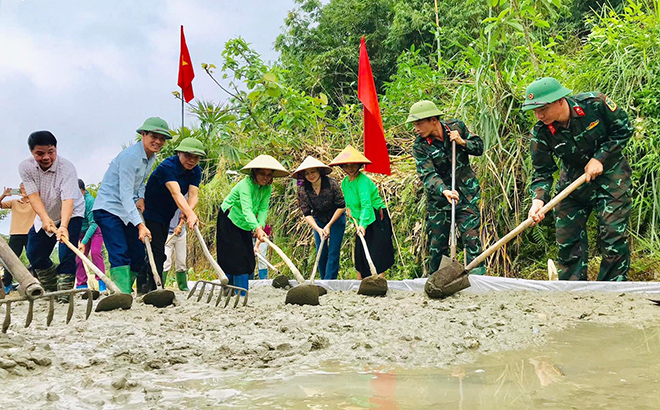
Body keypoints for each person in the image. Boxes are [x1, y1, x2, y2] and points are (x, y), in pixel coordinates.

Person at [522, 77, 633, 281]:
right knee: (567, 239)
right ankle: (572, 289)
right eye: (535, 111)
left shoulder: (595, 104)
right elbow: (542, 171)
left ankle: (612, 289)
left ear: (559, 100)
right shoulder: (541, 132)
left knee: (612, 235)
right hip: (573, 184)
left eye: (543, 109)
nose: (539, 115)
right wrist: (538, 201)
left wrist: (600, 158)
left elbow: (623, 130)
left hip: (612, 178)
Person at [406, 100, 486, 275]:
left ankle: (478, 280)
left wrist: (462, 142)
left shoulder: (456, 126)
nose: (416, 128)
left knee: (471, 238)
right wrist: (444, 190)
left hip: (467, 194)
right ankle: (436, 281)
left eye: (419, 123)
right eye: (414, 124)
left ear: (433, 120)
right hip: (439, 201)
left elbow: (479, 147)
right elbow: (427, 175)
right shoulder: (420, 146)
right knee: (438, 245)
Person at [93, 117, 172, 294]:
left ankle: (123, 290)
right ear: (143, 134)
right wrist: (141, 225)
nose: (158, 142)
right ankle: (123, 294)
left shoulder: (151, 157)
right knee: (119, 251)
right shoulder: (131, 157)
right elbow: (125, 195)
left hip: (126, 210)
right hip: (109, 209)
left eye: (162, 138)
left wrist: (141, 197)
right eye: (154, 136)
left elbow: (141, 182)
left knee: (137, 254)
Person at [18, 131, 85, 302]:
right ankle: (51, 286)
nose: (47, 157)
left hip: (71, 212)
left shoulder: (66, 168)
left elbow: (68, 199)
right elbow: (33, 196)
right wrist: (45, 218)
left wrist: (63, 226)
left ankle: (64, 294)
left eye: (51, 151)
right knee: (34, 252)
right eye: (40, 153)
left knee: (67, 253)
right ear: (32, 153)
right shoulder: (25, 167)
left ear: (56, 149)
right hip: (45, 213)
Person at [139, 137, 203, 294]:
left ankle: (154, 288)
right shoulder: (167, 166)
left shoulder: (196, 171)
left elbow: (193, 194)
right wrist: (188, 212)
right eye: (188, 155)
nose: (192, 160)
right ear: (179, 153)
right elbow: (176, 192)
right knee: (155, 251)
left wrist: (188, 210)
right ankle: (148, 289)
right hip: (151, 212)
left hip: (167, 215)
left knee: (158, 251)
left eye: (196, 157)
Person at [217, 155, 288, 293]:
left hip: (245, 223)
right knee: (232, 254)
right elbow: (247, 208)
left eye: (269, 174)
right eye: (262, 173)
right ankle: (231, 288)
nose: (265, 177)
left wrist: (260, 226)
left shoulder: (267, 188)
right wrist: (255, 227)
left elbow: (263, 209)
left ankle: (241, 289)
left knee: (247, 255)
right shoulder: (245, 185)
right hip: (229, 218)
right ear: (254, 172)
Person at [329, 145, 394, 279]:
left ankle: (379, 281)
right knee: (360, 252)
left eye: (353, 165)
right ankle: (361, 281)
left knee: (377, 252)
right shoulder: (345, 183)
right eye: (346, 166)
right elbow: (349, 203)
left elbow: (366, 205)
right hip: (360, 220)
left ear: (359, 165)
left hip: (376, 218)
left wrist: (362, 225)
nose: (350, 168)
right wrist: (350, 212)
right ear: (342, 167)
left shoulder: (363, 181)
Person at [292, 156, 346, 280]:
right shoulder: (303, 190)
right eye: (307, 173)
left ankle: (330, 280)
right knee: (321, 251)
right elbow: (306, 213)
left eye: (313, 172)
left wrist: (329, 225)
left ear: (319, 171)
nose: (311, 175)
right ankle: (323, 279)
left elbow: (341, 206)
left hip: (336, 218)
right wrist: (318, 228)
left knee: (333, 251)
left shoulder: (331, 184)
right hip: (318, 219)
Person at [0, 183, 36, 294]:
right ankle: (7, 284)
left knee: (34, 258)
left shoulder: (35, 203)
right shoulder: (15, 202)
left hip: (30, 234)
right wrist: (4, 195)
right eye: (20, 189)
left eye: (24, 188)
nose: (22, 190)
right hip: (16, 234)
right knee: (10, 260)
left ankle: (36, 281)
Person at [74, 179, 106, 291]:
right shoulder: (71, 201)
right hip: (81, 232)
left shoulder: (89, 201)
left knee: (96, 253)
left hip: (95, 230)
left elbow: (93, 223)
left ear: (83, 191)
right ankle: (81, 285)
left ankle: (102, 283)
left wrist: (83, 242)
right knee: (79, 258)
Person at [163, 209, 188, 289]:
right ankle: (160, 285)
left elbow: (187, 211)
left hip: (181, 233)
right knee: (165, 263)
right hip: (167, 234)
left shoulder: (184, 197)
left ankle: (183, 286)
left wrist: (180, 225)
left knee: (181, 262)